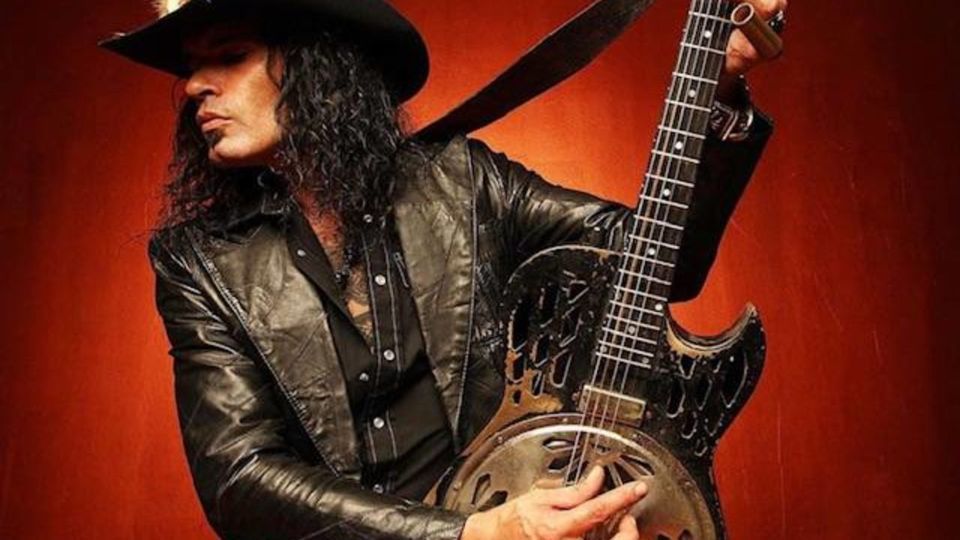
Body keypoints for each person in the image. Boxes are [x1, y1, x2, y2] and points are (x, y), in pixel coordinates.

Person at [101, 0, 785, 538]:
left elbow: (661, 263)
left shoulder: (464, 182)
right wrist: (472, 534)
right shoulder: (197, 261)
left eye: (228, 55)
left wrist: (719, 85)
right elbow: (239, 476)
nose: (194, 86)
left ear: (315, 63)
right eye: (192, 66)